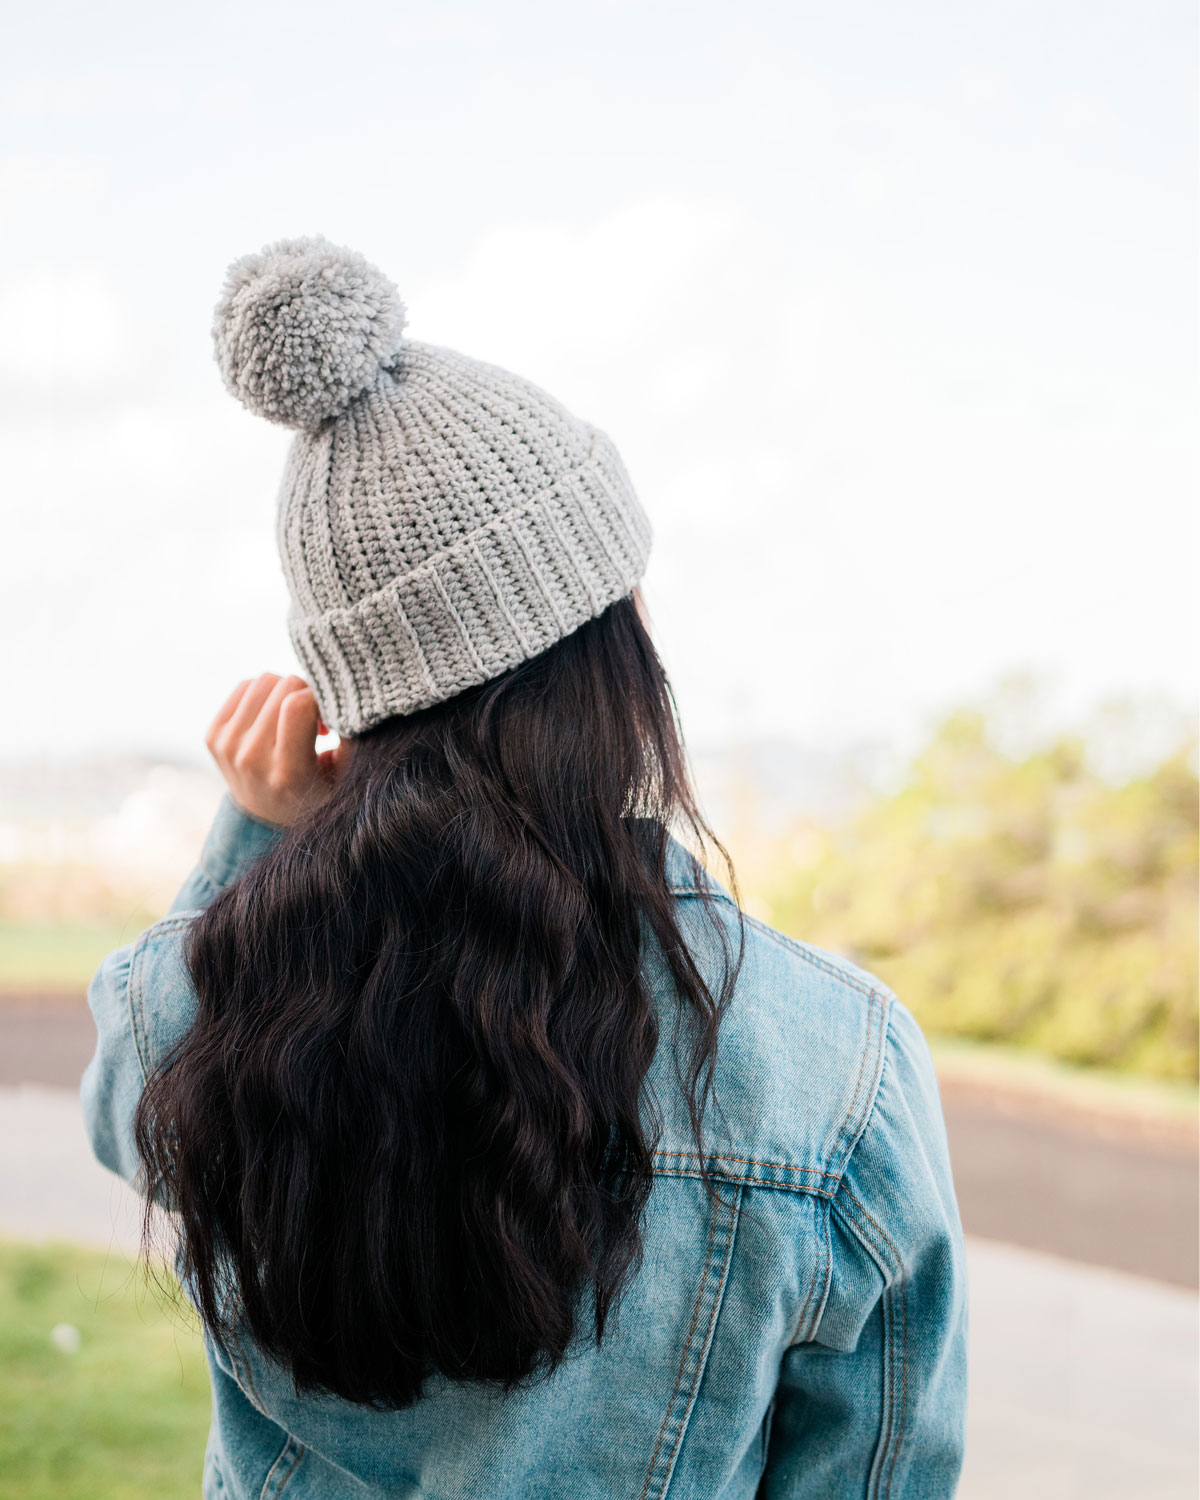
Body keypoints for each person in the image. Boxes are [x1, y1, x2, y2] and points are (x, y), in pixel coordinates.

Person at [81, 236, 968, 1499]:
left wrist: (265, 832)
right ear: (622, 648)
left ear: (360, 707)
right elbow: (881, 1471)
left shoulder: (207, 1010)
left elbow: (129, 1110)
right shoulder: (838, 1062)